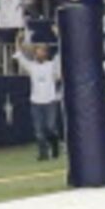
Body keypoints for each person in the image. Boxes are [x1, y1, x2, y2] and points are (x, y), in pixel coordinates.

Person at [19, 36, 65, 164]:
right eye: (37, 51)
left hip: (50, 100)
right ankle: (43, 153)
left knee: (50, 127)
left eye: (42, 51)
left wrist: (57, 35)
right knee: (39, 131)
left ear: (46, 53)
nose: (39, 53)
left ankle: (55, 145)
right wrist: (19, 41)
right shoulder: (31, 66)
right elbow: (20, 56)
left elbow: (62, 51)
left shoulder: (52, 65)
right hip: (36, 102)